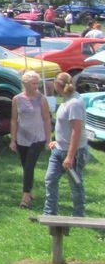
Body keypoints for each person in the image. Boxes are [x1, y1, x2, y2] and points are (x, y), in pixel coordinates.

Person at [42, 72, 89, 217]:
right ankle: (50, 213)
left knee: (75, 184)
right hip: (59, 149)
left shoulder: (74, 103)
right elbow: (65, 127)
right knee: (50, 180)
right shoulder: (65, 99)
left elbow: (76, 131)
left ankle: (79, 215)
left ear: (57, 84)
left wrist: (70, 156)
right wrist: (57, 140)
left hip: (74, 152)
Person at [10, 70, 52, 209]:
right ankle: (30, 190)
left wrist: (48, 139)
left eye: (37, 83)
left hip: (37, 137)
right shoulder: (17, 99)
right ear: (26, 84)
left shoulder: (42, 99)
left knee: (29, 165)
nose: (36, 86)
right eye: (33, 83)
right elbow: (14, 120)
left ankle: (26, 196)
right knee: (26, 166)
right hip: (22, 138)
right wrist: (12, 139)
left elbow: (47, 120)